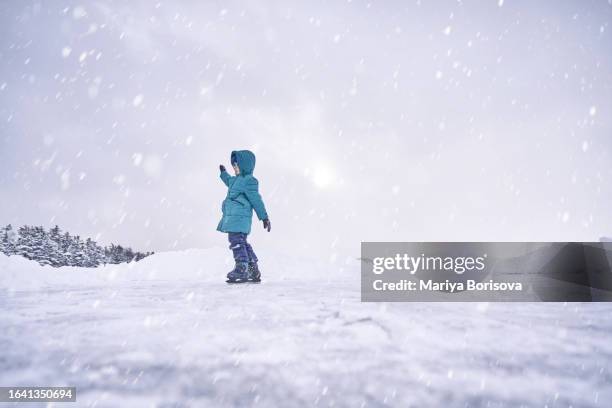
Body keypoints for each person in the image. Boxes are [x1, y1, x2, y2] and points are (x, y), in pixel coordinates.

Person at [218, 150, 271, 282]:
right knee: (242, 242)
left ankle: (242, 268)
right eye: (233, 166)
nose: (235, 168)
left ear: (245, 166)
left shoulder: (249, 181)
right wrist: (223, 173)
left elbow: (256, 200)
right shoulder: (234, 180)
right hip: (235, 219)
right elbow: (228, 180)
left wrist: (264, 217)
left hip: (240, 219)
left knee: (236, 241)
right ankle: (253, 269)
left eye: (237, 166)